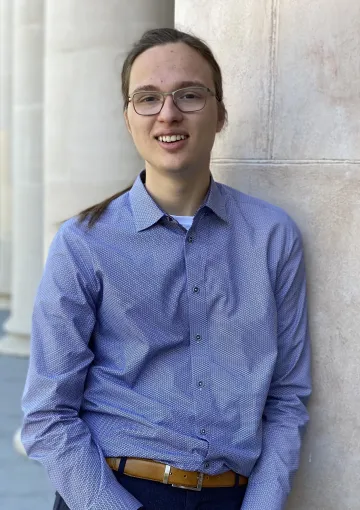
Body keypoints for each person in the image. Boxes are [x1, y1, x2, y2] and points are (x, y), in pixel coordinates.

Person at [21, 28, 311, 510]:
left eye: (190, 95)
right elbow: (48, 414)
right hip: (110, 493)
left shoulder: (272, 238)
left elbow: (286, 398)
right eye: (147, 98)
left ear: (221, 114)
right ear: (128, 118)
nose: (168, 113)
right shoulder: (83, 244)